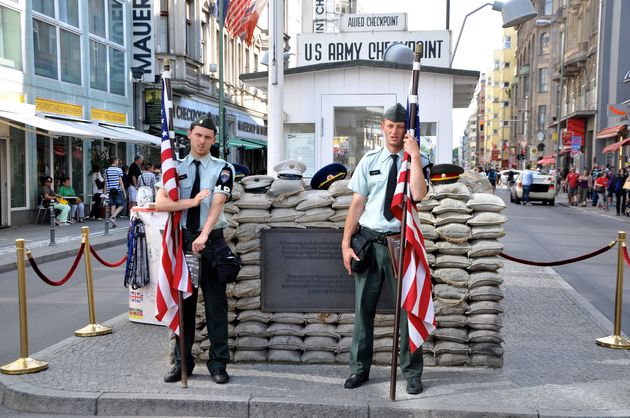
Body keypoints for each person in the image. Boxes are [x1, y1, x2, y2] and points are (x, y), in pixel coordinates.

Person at [341, 103, 427, 395]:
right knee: (363, 310)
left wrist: (414, 154)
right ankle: (358, 369)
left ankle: (412, 373)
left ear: (407, 129)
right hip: (368, 241)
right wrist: (345, 243)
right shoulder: (369, 160)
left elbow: (418, 194)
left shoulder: (415, 160)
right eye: (390, 126)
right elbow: (357, 203)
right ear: (382, 127)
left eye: (400, 127)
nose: (394, 131)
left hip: (399, 243)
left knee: (408, 309)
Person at [155, 114, 235, 385]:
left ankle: (218, 364)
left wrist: (203, 235)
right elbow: (161, 204)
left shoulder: (223, 168)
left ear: (214, 140)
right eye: (198, 135)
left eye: (208, 137)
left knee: (216, 306)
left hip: (211, 242)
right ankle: (182, 364)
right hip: (183, 243)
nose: (202, 141)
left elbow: (218, 202)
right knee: (183, 308)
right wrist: (189, 203)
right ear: (189, 134)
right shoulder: (173, 168)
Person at [104, 157, 126, 227]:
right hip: (117, 190)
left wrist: (104, 193)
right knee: (122, 205)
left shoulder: (106, 170)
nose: (118, 162)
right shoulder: (118, 170)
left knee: (113, 205)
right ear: (115, 161)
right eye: (117, 161)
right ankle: (113, 217)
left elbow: (105, 183)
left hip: (109, 191)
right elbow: (121, 182)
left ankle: (113, 222)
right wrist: (124, 192)